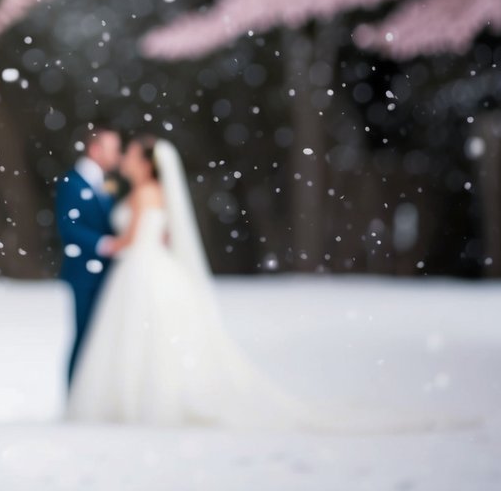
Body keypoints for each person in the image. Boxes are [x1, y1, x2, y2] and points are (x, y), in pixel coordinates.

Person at [64, 135, 450, 432]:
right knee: (149, 338)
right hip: (145, 268)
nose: (125, 160)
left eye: (130, 154)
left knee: (139, 338)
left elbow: (133, 236)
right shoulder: (147, 191)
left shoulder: (145, 192)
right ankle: (139, 400)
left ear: (147, 165)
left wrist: (113, 245)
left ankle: (134, 401)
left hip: (140, 268)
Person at [55, 127, 123, 385]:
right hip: (83, 273)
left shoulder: (109, 182)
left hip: (111, 273)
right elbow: (68, 228)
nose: (118, 155)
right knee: (85, 334)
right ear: (95, 149)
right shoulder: (71, 182)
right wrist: (106, 244)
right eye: (113, 149)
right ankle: (75, 391)